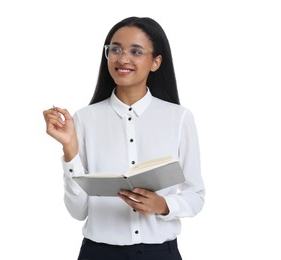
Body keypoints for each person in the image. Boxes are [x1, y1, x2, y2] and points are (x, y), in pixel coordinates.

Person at [43, 16, 205, 260]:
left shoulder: (179, 118)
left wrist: (162, 205)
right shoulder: (85, 119)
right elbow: (78, 211)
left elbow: (196, 195)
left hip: (160, 254)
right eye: (115, 49)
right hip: (98, 253)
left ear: (156, 62)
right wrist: (69, 150)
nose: (122, 58)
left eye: (136, 51)